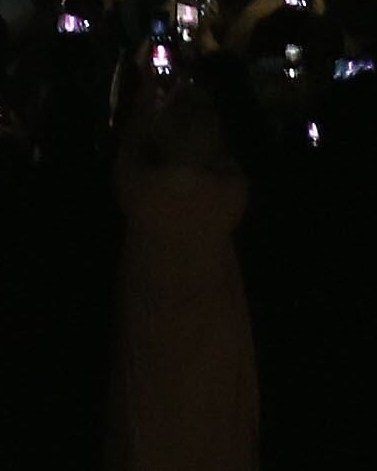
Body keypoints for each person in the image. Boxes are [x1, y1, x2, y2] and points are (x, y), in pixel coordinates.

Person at [109, 40, 257, 471]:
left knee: (151, 422)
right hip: (215, 338)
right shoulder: (229, 194)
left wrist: (144, 97)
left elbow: (126, 152)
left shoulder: (138, 192)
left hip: (150, 335)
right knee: (213, 423)